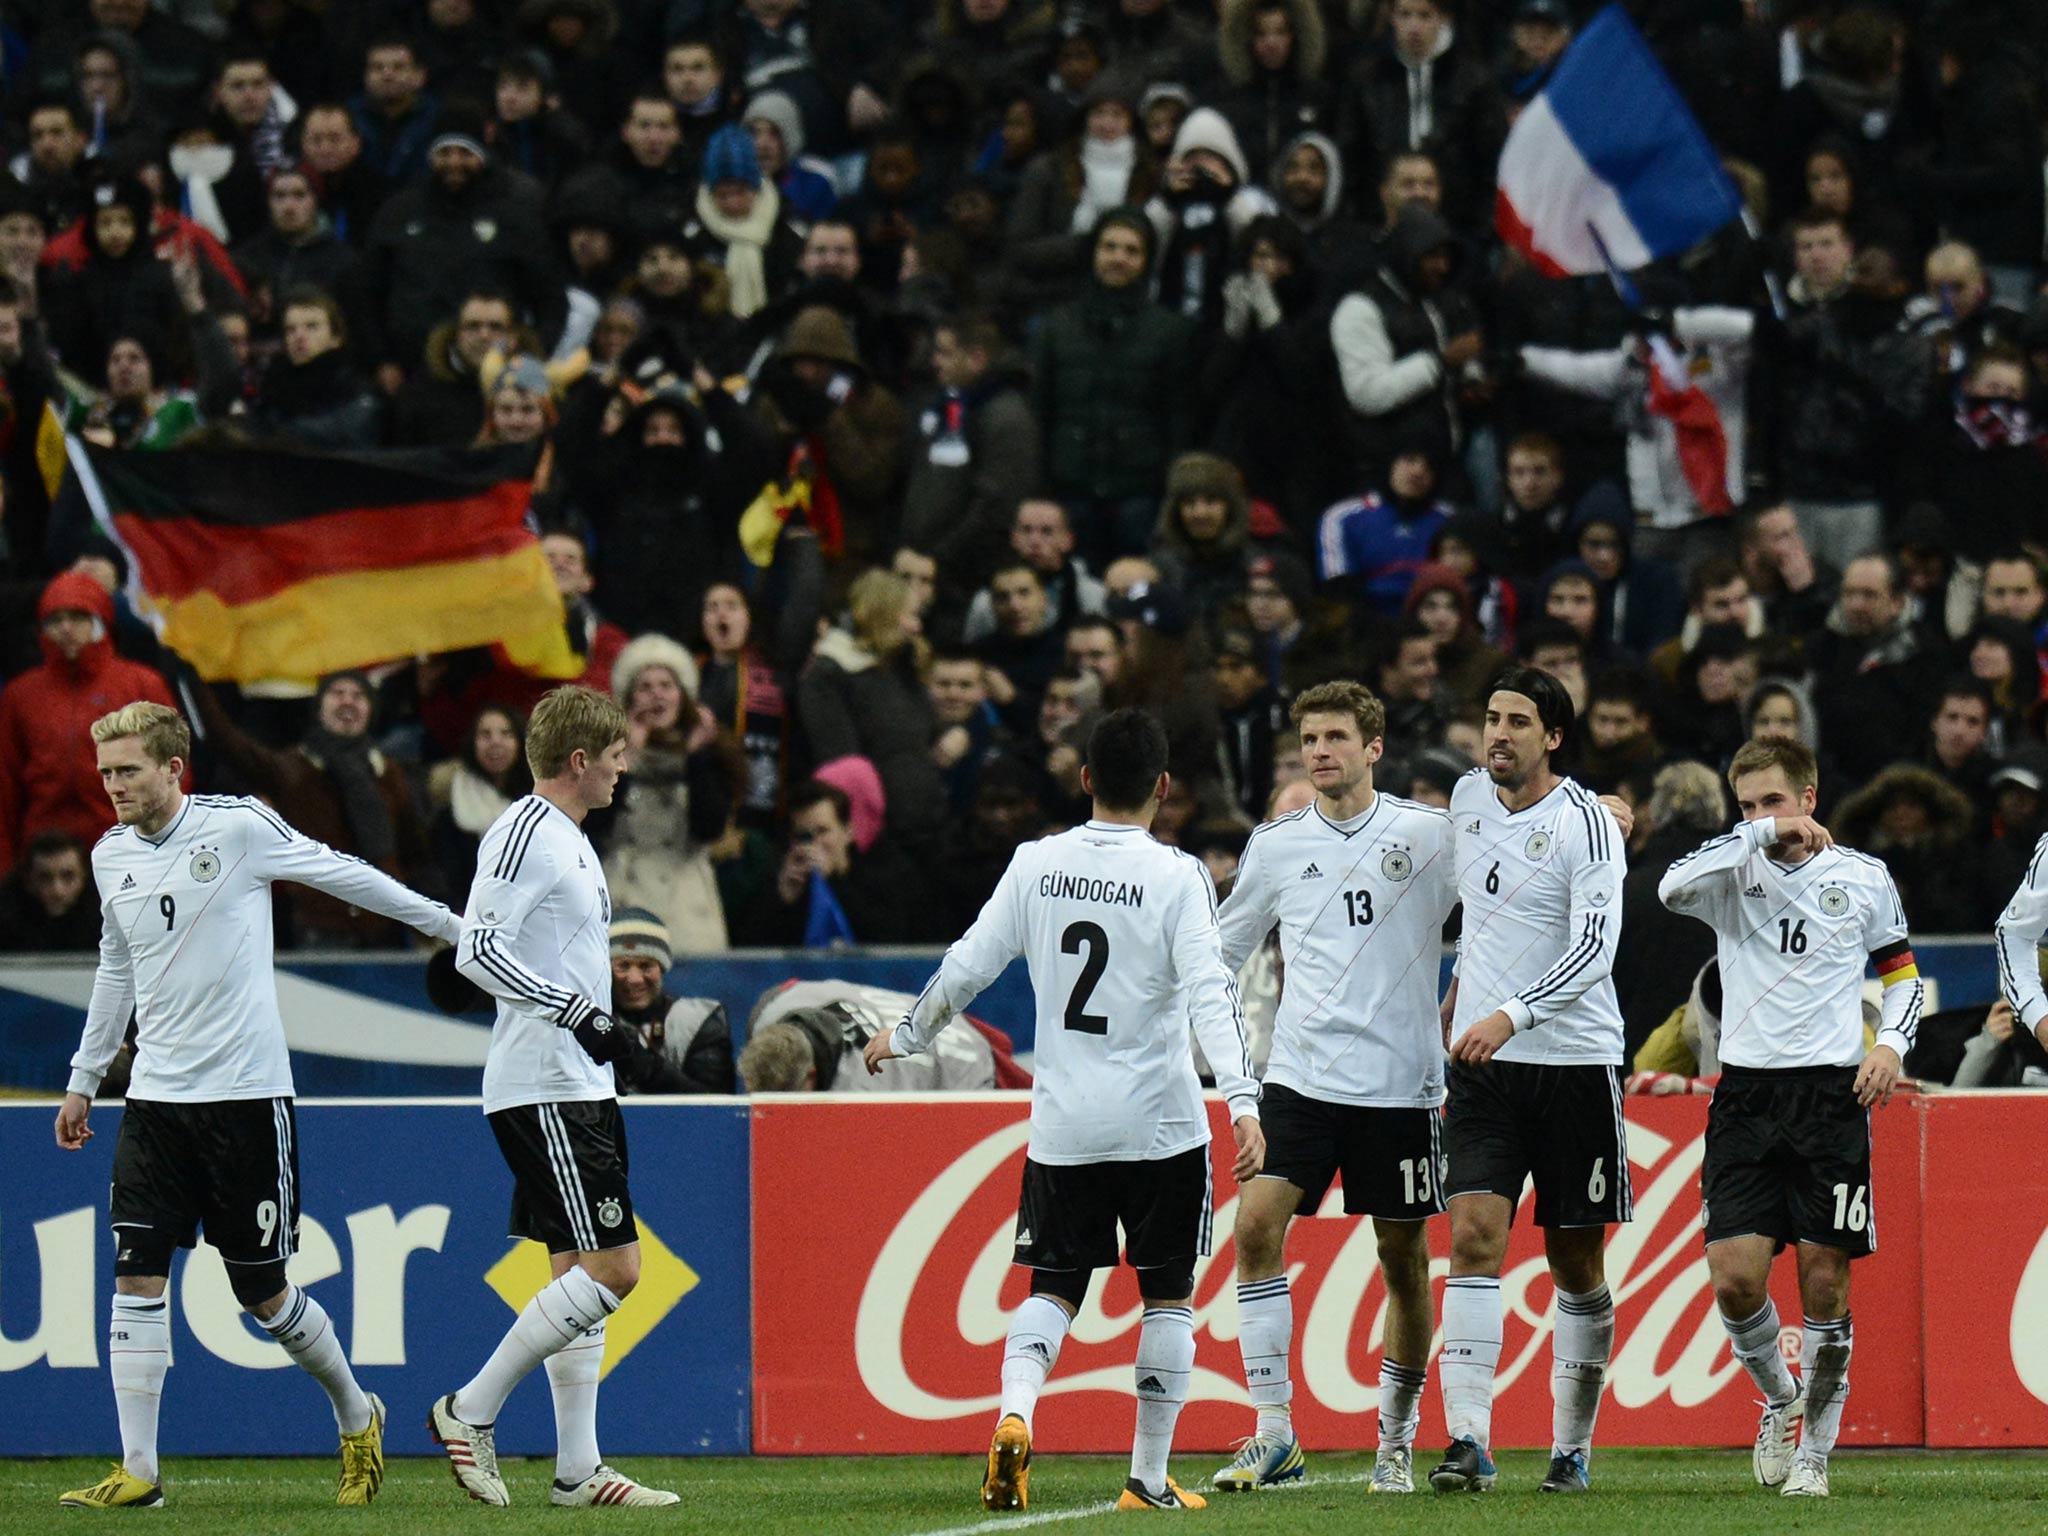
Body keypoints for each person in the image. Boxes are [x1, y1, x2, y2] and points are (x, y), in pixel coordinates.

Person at [55, 702, 465, 1510]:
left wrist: (451, 926)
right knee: (135, 1273)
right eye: (105, 772)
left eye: (128, 770)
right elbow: (116, 968)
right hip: (156, 1102)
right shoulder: (109, 856)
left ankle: (356, 1412)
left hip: (245, 1098)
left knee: (263, 1293)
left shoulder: (239, 827)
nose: (113, 787)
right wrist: (83, 1075)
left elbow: (343, 873)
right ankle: (140, 1473)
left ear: (175, 769)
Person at [863, 708, 1263, 1513]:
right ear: (1163, 789)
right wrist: (1244, 1099)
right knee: (1168, 1294)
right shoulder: (1179, 874)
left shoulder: (1036, 864)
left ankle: (1015, 1415)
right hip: (1160, 1126)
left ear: (1084, 780)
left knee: (1052, 1285)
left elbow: (969, 963)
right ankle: (1147, 1479)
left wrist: (905, 1033)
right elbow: (1211, 994)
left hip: (1064, 1124)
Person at [433, 685, 677, 1509]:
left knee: (576, 1270)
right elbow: (477, 952)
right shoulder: (524, 831)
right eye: (615, 757)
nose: (623, 770)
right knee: (617, 1267)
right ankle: (469, 1409)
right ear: (580, 760)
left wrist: (598, 1029)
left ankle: (578, 1469)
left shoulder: (568, 839)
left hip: (577, 1080)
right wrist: (578, 1012)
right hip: (544, 1081)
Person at [1658, 736, 1921, 1498]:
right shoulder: (1729, 872)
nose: (1761, 817)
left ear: (1809, 798)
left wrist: (1893, 1046)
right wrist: (1755, 836)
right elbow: (1669, 888)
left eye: (1773, 801)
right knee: (1735, 1279)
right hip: (1744, 1098)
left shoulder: (1863, 877)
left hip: (1832, 1098)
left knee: (1823, 1280)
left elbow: (1902, 978)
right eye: (1745, 805)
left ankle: (1815, 1453)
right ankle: (1780, 1396)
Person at [1210, 681, 1455, 1495]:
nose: (1320, 752)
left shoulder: (1429, 836)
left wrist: (1592, 815)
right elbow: (1221, 951)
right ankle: (1275, 1430)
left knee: (1404, 1259)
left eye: (1336, 738)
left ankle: (1396, 1436)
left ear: (1374, 748)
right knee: (1254, 1228)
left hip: (1399, 1087)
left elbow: (1504, 902)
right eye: (1309, 739)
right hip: (1302, 1080)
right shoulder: (1277, 844)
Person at [1437, 665, 1629, 1495]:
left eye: (1518, 720)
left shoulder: (1590, 824)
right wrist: (1456, 1002)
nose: (1499, 734)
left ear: (1554, 737)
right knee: (1474, 1236)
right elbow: (1474, 918)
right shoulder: (1467, 800)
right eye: (1491, 716)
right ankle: (1468, 1440)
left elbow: (1594, 952)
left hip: (1574, 1066)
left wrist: (1507, 1013)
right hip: (1483, 1071)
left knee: (1573, 1264)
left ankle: (1570, 1449)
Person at [607, 908, 735, 1094]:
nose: (634, 979)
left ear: (662, 967)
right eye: (623, 966)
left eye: (646, 966)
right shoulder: (587, 1021)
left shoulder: (698, 1022)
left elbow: (716, 1106)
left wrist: (650, 1069)